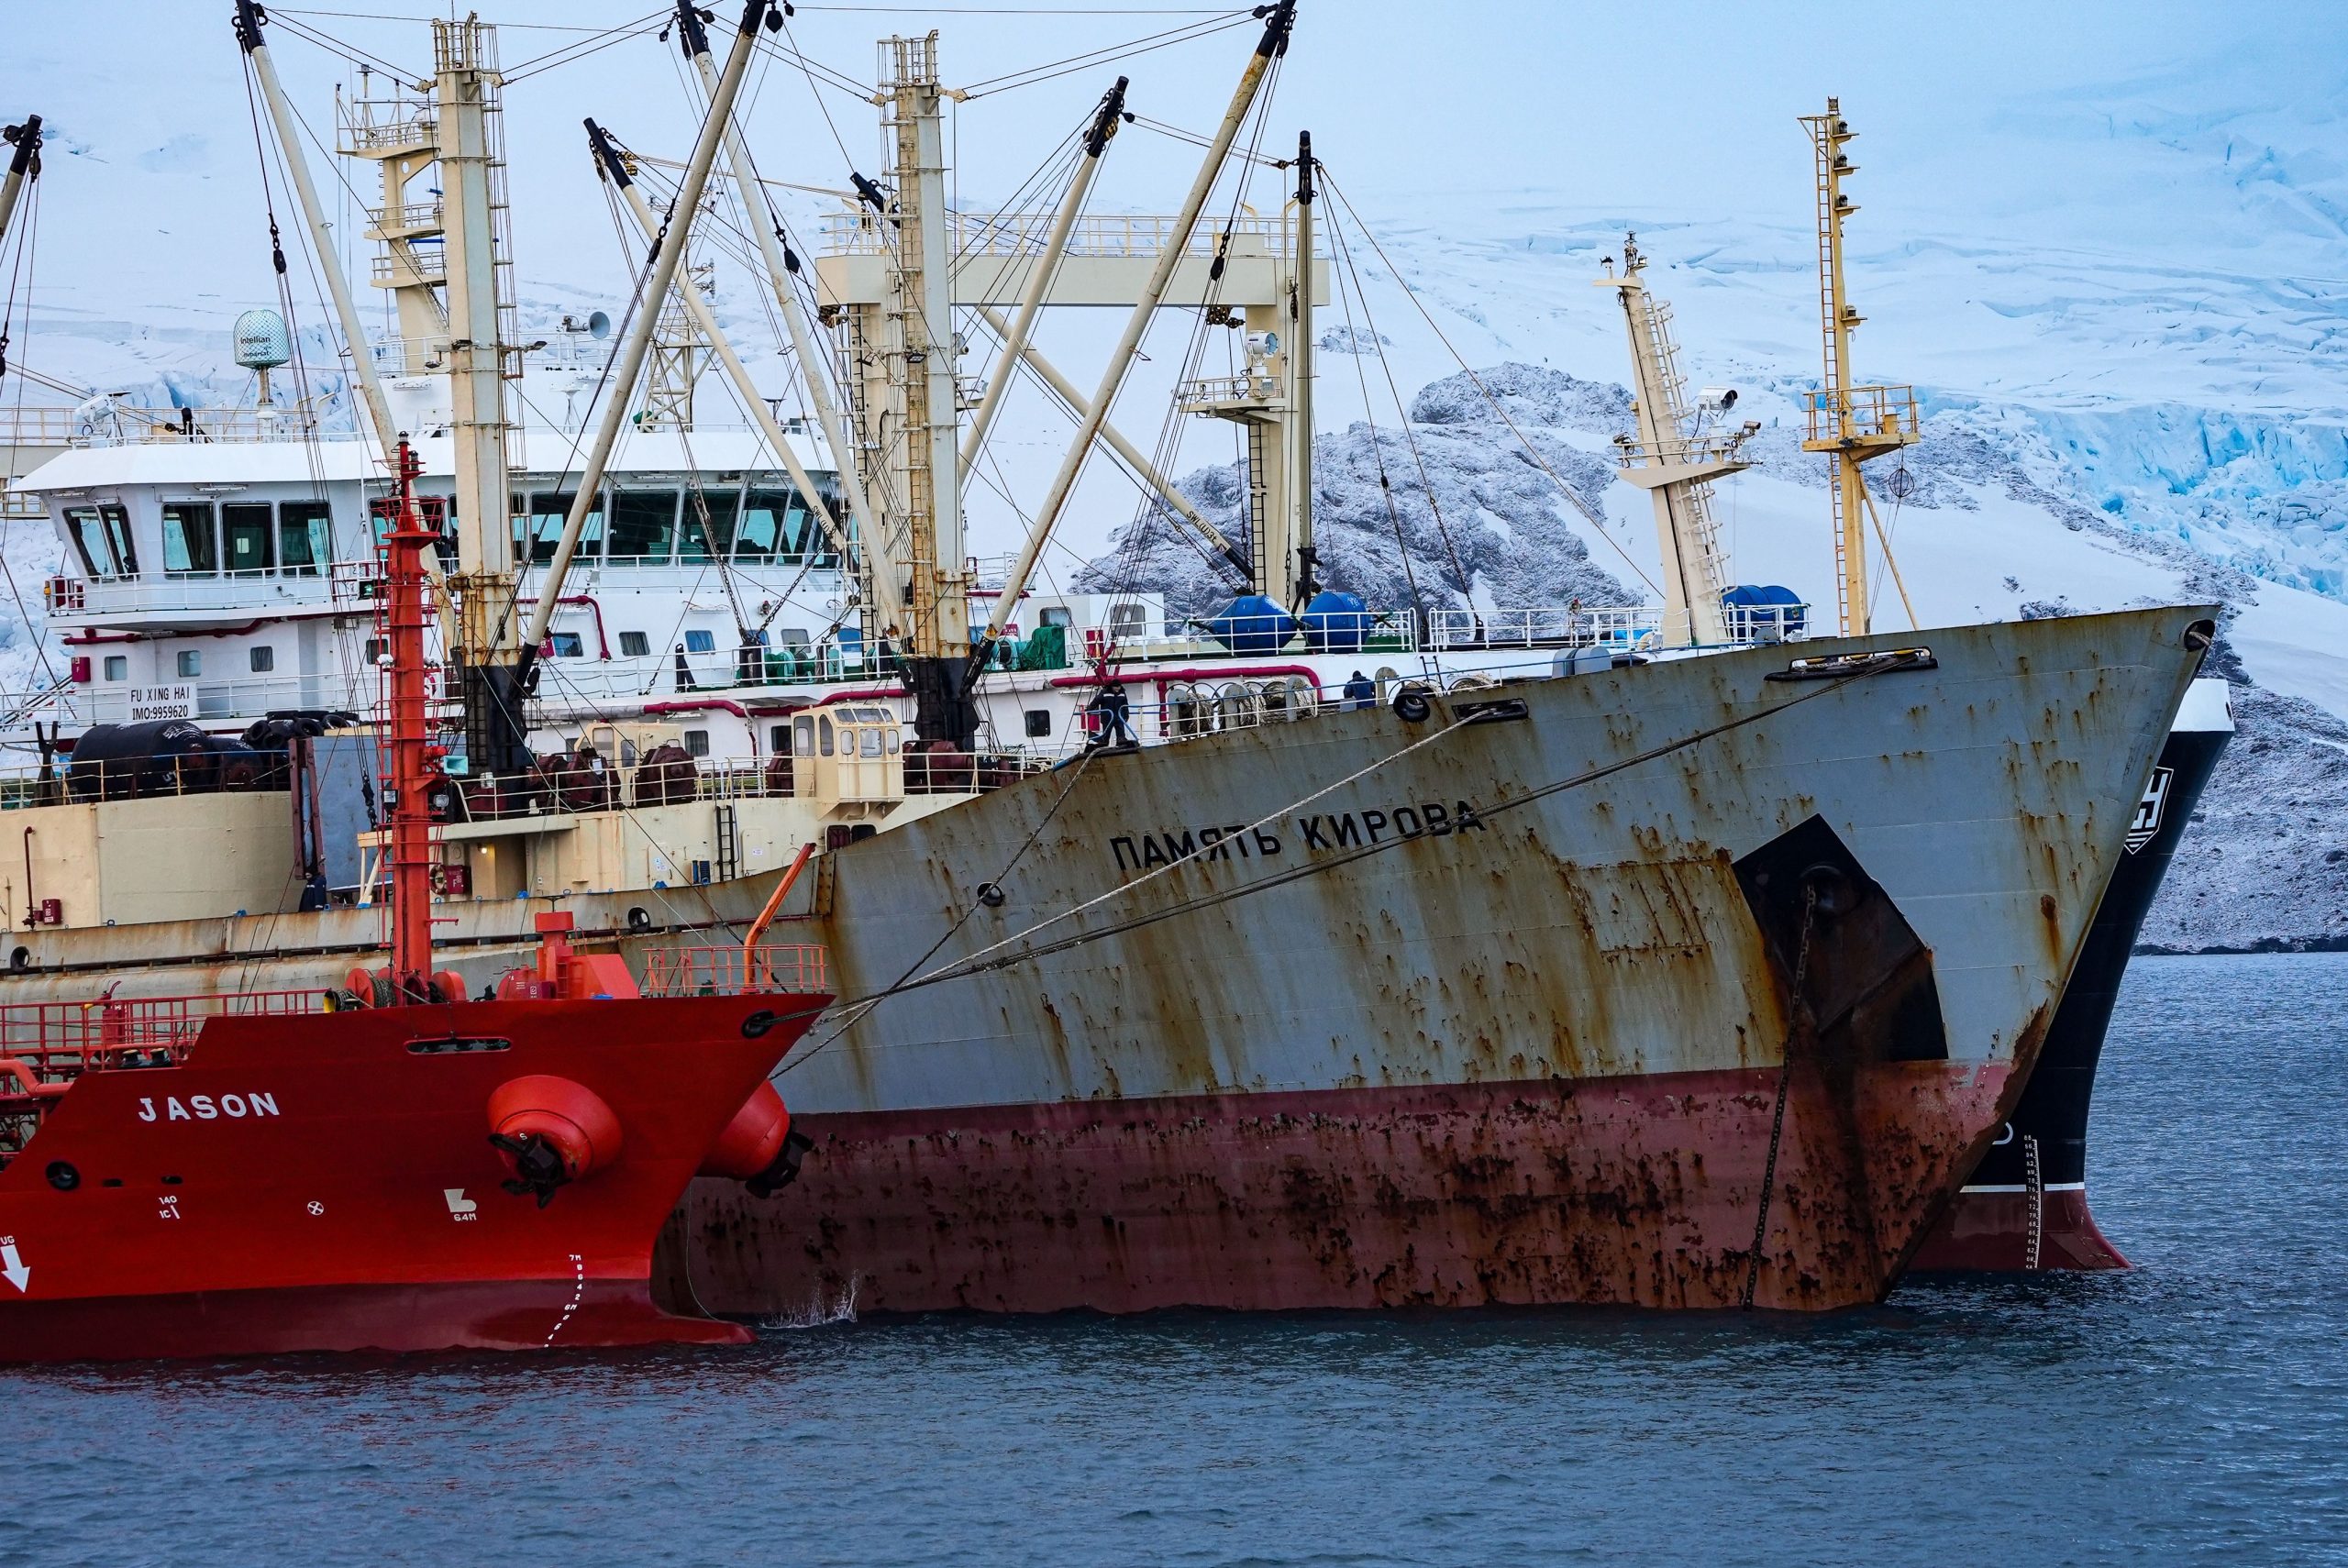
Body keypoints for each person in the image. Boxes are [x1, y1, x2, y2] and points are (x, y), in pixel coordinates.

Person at [1085, 680, 1136, 750]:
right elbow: (1096, 702)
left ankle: (1121, 745)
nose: (1117, 688)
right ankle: (1102, 745)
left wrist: (1126, 715)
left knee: (1121, 735)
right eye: (1116, 687)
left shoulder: (1122, 693)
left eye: (1119, 687)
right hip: (1107, 718)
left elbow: (1125, 705)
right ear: (1112, 686)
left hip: (1119, 718)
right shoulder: (1104, 692)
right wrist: (1089, 709)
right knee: (1106, 736)